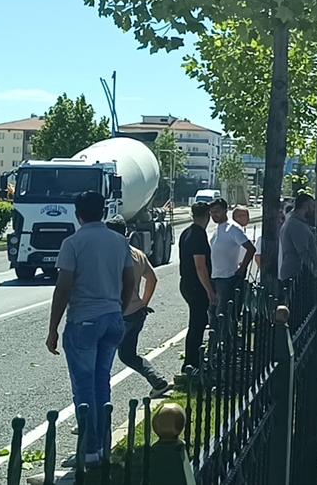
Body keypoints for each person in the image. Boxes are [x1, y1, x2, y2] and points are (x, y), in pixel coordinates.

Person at [46, 192, 135, 467]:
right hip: (112, 318)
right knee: (101, 383)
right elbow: (129, 280)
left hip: (84, 320)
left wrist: (53, 328)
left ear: (78, 213)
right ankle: (102, 445)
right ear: (104, 212)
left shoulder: (73, 242)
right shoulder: (119, 241)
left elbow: (64, 288)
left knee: (84, 387)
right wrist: (119, 308)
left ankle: (89, 448)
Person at [108, 217, 171, 396]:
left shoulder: (108, 256)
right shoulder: (137, 253)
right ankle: (157, 381)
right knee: (128, 355)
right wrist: (144, 303)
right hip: (136, 312)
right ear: (125, 233)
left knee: (103, 354)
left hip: (117, 313)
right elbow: (152, 279)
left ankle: (99, 395)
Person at [179, 202, 215, 372]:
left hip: (186, 282)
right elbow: (200, 265)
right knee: (198, 323)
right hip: (196, 285)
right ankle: (191, 361)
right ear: (207, 215)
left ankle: (192, 359)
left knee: (197, 322)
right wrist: (209, 291)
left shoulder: (187, 232)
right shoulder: (198, 235)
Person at [208, 198, 255, 317]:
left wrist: (242, 268)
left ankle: (225, 335)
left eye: (217, 211)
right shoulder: (216, 229)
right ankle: (216, 335)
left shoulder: (233, 228)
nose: (214, 214)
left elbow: (250, 248)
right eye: (212, 212)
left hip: (227, 277)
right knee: (212, 312)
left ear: (225, 211)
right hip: (214, 277)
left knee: (223, 313)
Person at [279, 193, 317, 283]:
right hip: (296, 276)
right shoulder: (297, 226)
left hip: (294, 274)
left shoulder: (294, 222)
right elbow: (303, 252)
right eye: (312, 206)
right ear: (305, 207)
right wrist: (314, 270)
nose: (314, 210)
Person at [251, 207, 286, 285]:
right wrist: (266, 273)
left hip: (283, 277)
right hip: (268, 278)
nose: (280, 221)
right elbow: (257, 257)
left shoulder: (287, 237)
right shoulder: (262, 238)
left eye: (283, 218)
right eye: (277, 219)